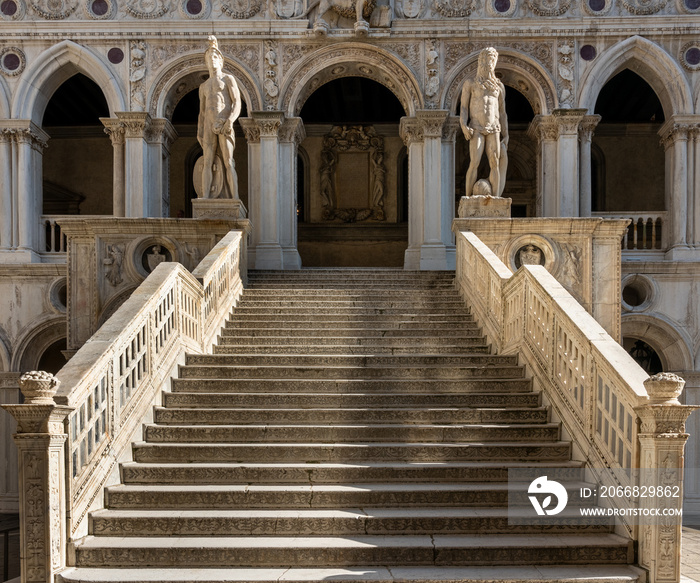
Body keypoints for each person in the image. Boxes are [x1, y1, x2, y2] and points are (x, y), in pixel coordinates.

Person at [460, 47, 509, 198]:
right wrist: (464, 126)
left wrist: (506, 134)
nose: (490, 63)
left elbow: (502, 112)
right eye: (488, 59)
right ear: (481, 61)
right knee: (474, 163)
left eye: (493, 60)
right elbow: (463, 107)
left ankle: (495, 199)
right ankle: (468, 198)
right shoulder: (470, 84)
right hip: (476, 127)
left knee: (494, 163)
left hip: (494, 127)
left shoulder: (499, 86)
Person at [198, 35, 242, 200]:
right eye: (209, 58)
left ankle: (235, 197)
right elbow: (202, 112)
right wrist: (199, 130)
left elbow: (237, 102)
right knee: (207, 162)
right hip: (209, 125)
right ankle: (206, 197)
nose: (212, 60)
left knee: (228, 161)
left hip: (224, 123)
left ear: (221, 61)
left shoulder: (228, 79)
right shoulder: (203, 86)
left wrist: (230, 121)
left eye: (215, 57)